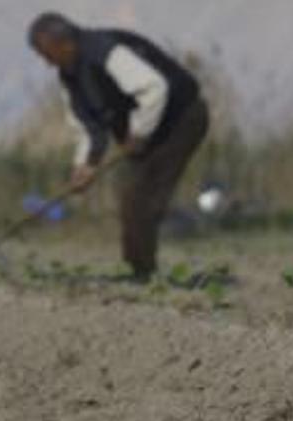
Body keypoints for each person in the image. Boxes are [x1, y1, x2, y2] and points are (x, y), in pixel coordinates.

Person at [28, 12, 210, 282]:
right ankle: (140, 272)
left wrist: (138, 133)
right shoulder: (69, 76)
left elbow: (154, 88)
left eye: (47, 53)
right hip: (147, 128)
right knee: (131, 198)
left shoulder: (105, 51)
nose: (46, 63)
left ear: (64, 44)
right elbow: (89, 128)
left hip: (180, 119)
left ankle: (143, 275)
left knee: (142, 198)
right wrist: (84, 166)